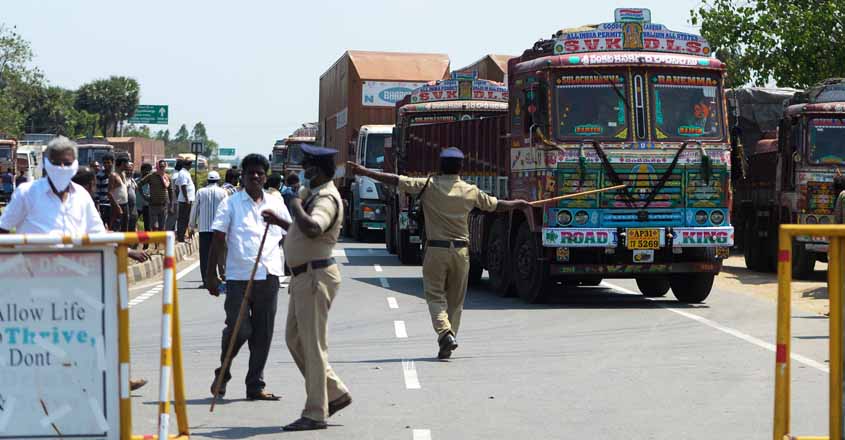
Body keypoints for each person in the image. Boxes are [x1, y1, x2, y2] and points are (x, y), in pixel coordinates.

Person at [347, 147, 530, 359]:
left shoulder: (428, 185)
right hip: (461, 253)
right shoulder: (470, 190)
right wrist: (519, 204)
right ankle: (448, 338)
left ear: (440, 166)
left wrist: (364, 171)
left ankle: (445, 333)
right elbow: (497, 206)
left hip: (435, 250)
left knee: (434, 295)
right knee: (455, 301)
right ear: (461, 167)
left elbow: (394, 179)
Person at [0, 138, 149, 391]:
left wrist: (128, 251)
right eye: (56, 163)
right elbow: (3, 230)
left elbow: (99, 235)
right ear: (46, 164)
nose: (61, 167)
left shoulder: (81, 196)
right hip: (34, 281)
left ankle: (115, 377)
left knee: (100, 330)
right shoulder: (27, 193)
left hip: (78, 280)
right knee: (32, 338)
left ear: (74, 164)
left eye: (66, 163)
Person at [269, 145, 350, 431]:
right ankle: (335, 392)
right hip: (303, 277)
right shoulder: (311, 192)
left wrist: (293, 205)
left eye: (307, 167)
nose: (303, 171)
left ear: (318, 170)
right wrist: (283, 219)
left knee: (313, 346)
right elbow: (300, 226)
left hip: (316, 277)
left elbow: (314, 227)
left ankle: (316, 412)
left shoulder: (326, 197)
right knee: (295, 339)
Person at [206, 154, 291, 401]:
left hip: (270, 276)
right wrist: (211, 275)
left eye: (260, 173)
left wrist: (295, 270)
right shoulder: (230, 203)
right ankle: (223, 372)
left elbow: (290, 234)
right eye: (250, 173)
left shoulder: (276, 202)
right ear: (242, 176)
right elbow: (218, 239)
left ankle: (255, 385)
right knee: (239, 330)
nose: (255, 176)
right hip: (238, 278)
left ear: (265, 177)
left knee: (263, 334)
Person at [189, 171, 228, 288]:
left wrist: (191, 226)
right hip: (219, 229)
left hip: (204, 229)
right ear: (218, 180)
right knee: (218, 254)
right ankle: (217, 277)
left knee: (205, 255)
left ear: (207, 180)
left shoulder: (200, 192)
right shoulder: (223, 192)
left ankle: (206, 281)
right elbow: (227, 210)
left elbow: (195, 209)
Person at [138, 160, 172, 233]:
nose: (162, 168)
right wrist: (144, 196)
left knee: (162, 227)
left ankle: (159, 243)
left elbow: (170, 191)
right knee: (154, 226)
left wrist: (171, 204)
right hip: (153, 205)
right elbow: (139, 184)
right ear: (157, 167)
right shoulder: (151, 176)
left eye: (163, 166)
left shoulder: (167, 177)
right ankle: (156, 243)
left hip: (163, 206)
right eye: (160, 166)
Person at [176, 159, 196, 242]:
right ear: (187, 165)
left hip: (186, 199)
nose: (191, 166)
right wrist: (186, 198)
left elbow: (177, 185)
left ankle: (182, 235)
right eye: (190, 164)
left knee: (185, 219)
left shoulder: (185, 172)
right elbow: (183, 186)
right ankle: (181, 237)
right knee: (183, 219)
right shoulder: (183, 173)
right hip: (185, 201)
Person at [110, 156, 130, 231]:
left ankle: (124, 243)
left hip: (125, 205)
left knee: (125, 228)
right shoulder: (113, 176)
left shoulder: (124, 174)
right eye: (127, 163)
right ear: (122, 163)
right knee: (116, 228)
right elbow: (109, 193)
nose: (128, 165)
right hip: (117, 206)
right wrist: (117, 206)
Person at [136, 163, 153, 236]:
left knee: (147, 225)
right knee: (134, 223)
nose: (147, 174)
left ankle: (146, 244)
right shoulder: (136, 181)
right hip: (137, 206)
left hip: (147, 205)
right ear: (142, 171)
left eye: (149, 172)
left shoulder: (152, 182)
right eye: (146, 172)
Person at [166, 160, 182, 232]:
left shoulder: (174, 174)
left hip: (173, 199)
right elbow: (176, 189)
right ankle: (166, 235)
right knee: (172, 218)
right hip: (175, 200)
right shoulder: (177, 176)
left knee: (173, 218)